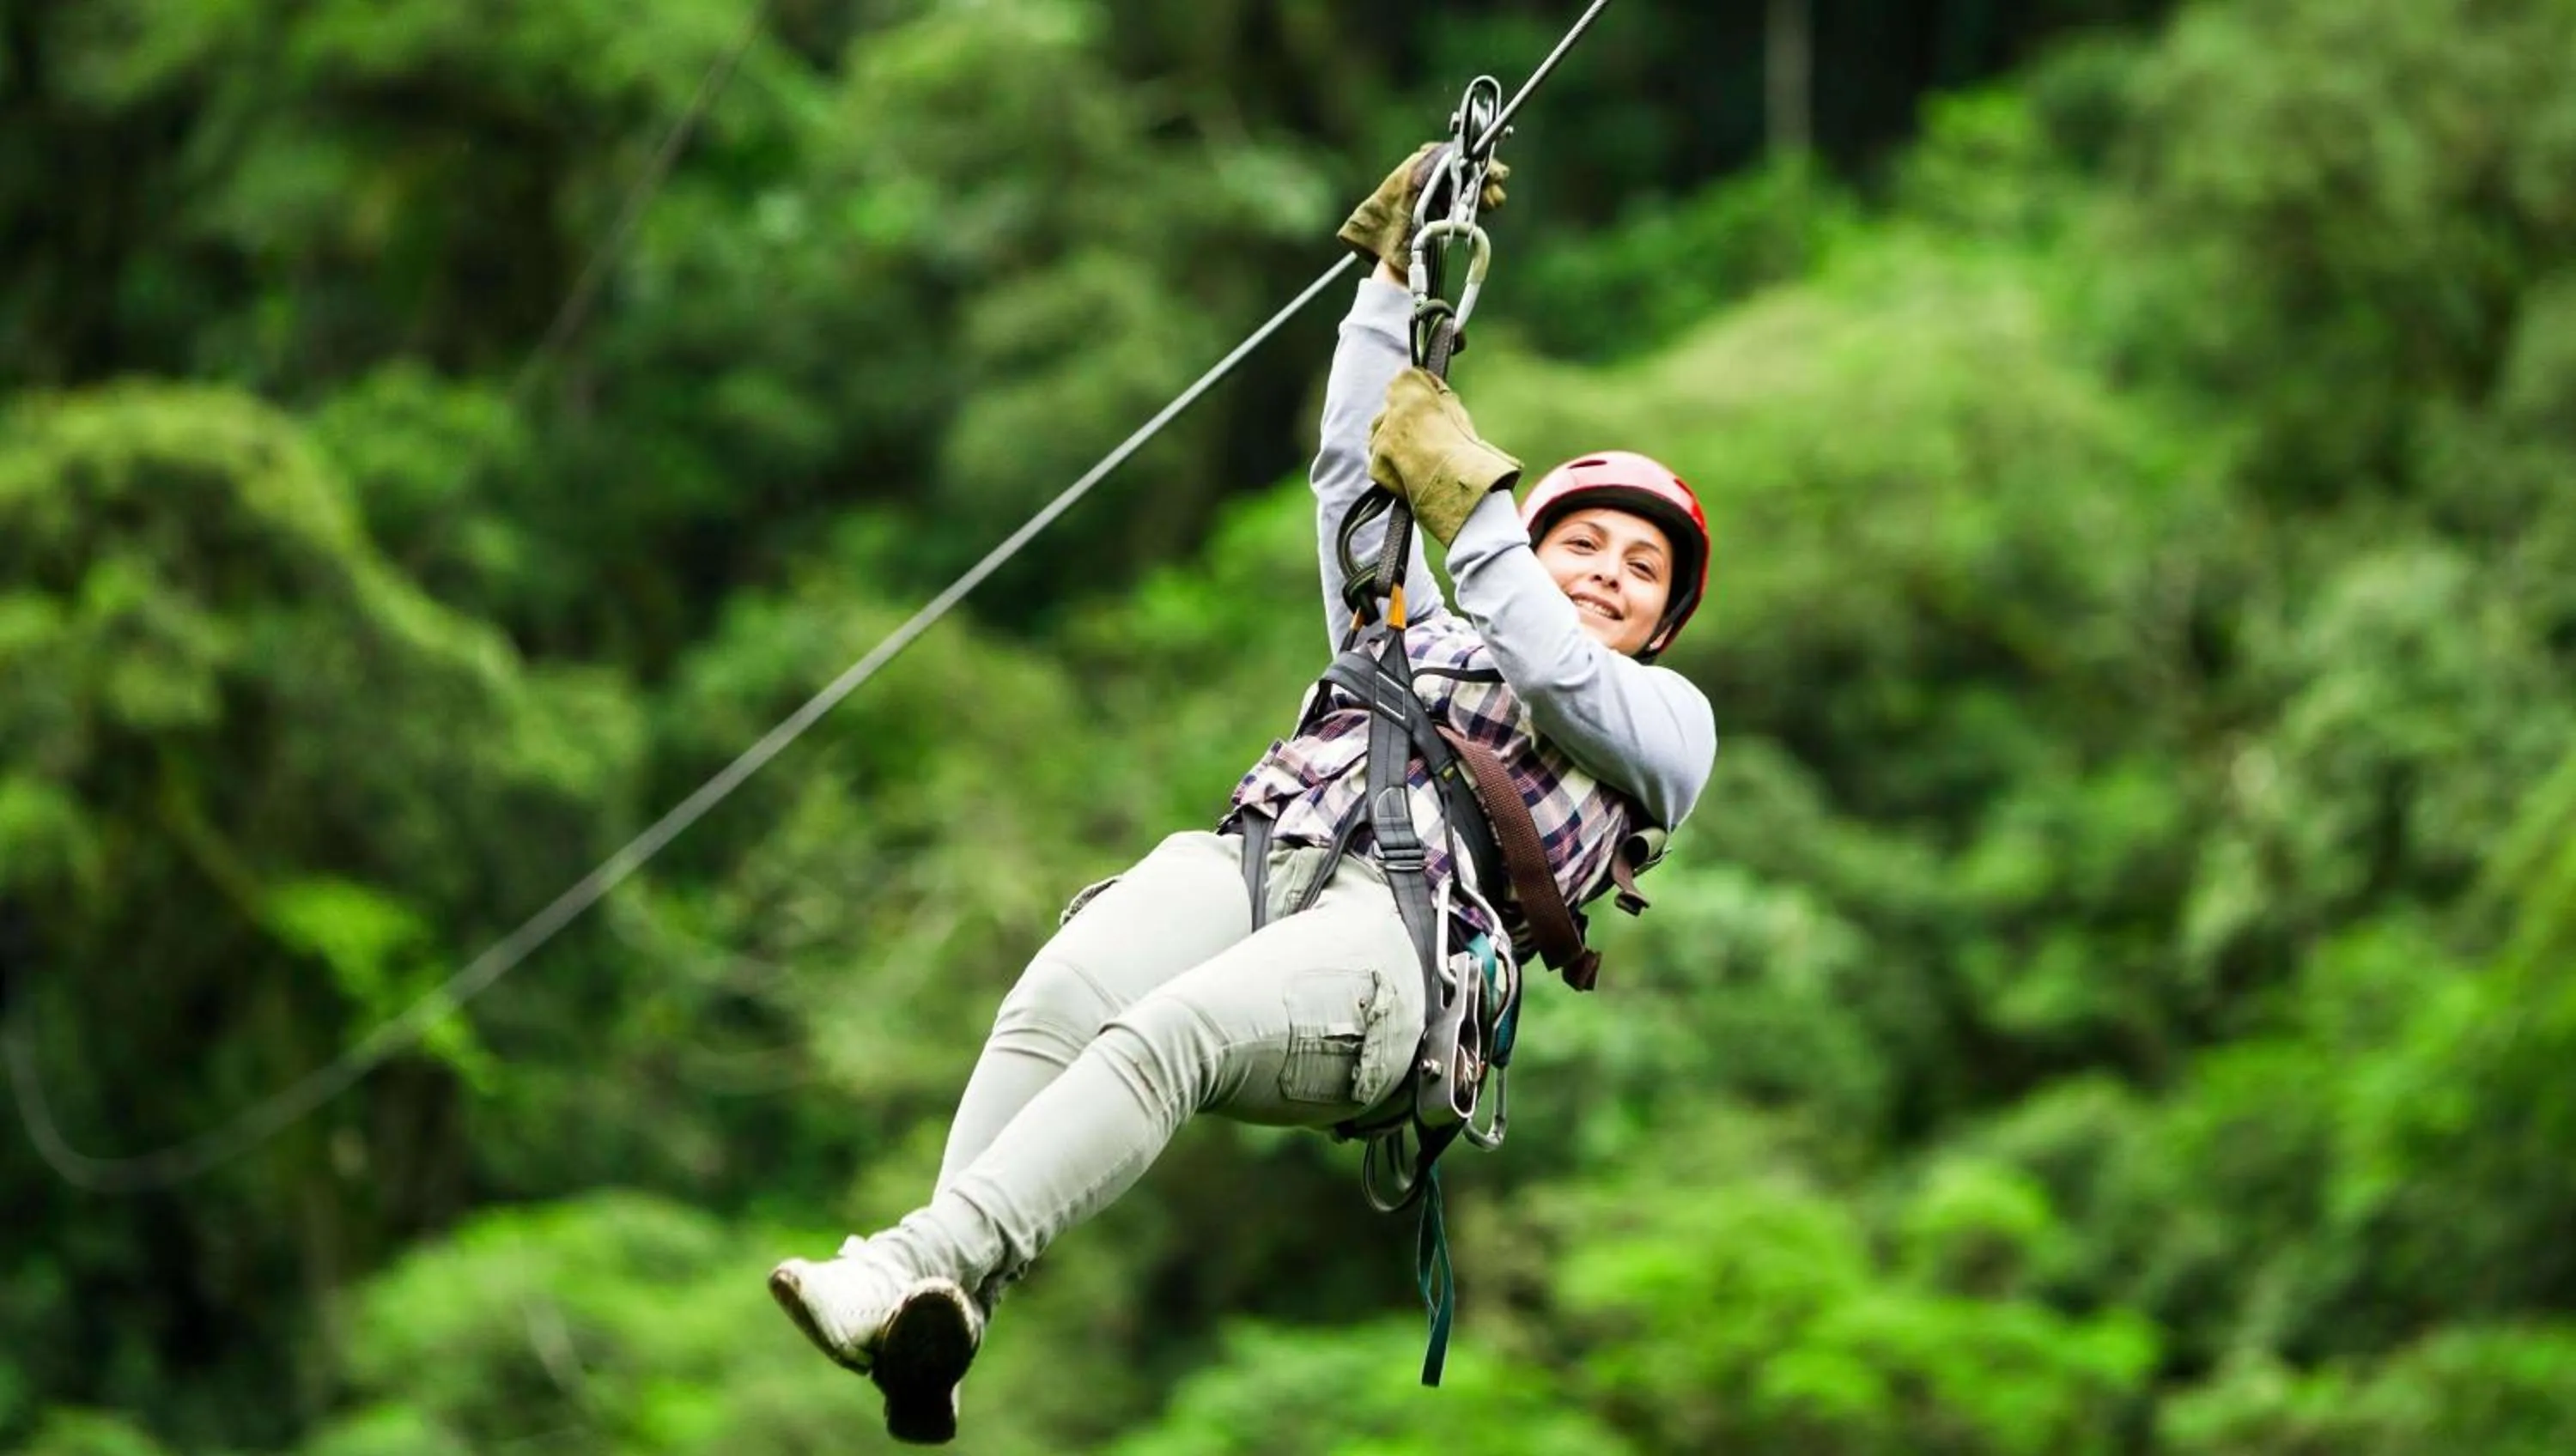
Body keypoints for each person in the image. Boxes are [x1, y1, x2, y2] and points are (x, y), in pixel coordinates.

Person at [765, 143, 1719, 1446]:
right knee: (1063, 994)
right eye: (1584, 543)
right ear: (1538, 545)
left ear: (1663, 624)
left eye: (1642, 568)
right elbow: (1350, 478)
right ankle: (947, 1300)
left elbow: (1554, 668)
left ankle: (900, 1262)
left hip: (1403, 940)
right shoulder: (1412, 629)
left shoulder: (1664, 725)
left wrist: (1482, 506)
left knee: (1173, 1036)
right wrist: (1389, 285)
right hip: (1262, 859)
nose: (1608, 573)